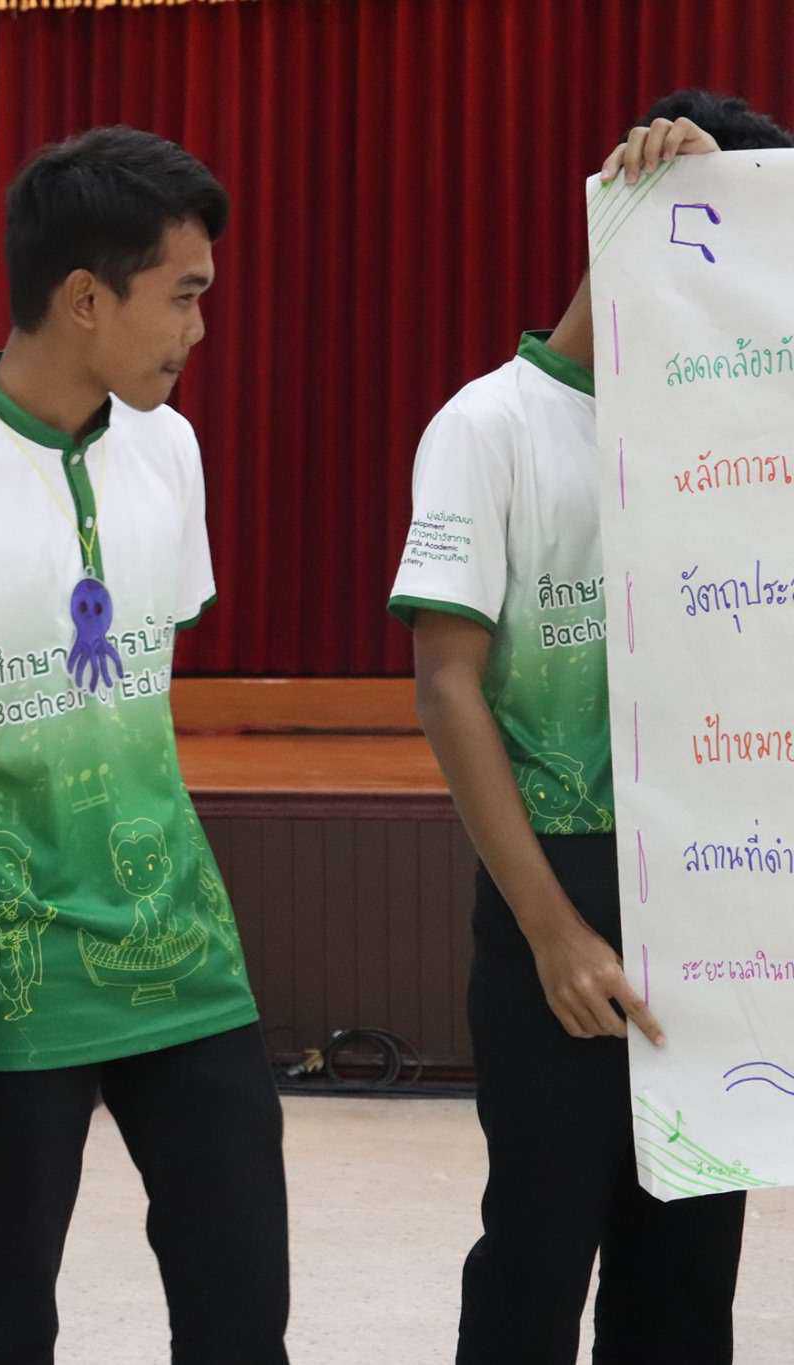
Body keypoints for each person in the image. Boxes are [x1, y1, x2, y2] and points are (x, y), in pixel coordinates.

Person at [0, 126, 287, 1365]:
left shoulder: (168, 445)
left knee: (241, 1297)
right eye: (181, 295)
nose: (199, 326)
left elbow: (141, 695)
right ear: (85, 298)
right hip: (7, 976)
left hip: (184, 954)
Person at [393, 92, 791, 1365]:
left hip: (711, 884)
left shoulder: (742, 431)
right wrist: (551, 930)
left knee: (688, 1266)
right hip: (554, 885)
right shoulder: (490, 424)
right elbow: (445, 683)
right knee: (537, 1247)